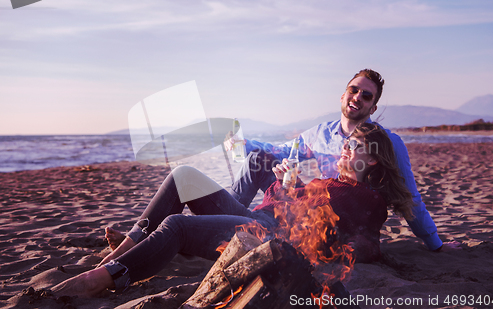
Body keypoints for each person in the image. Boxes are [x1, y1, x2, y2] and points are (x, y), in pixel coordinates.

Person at [51, 123, 408, 297]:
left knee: (178, 225)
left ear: (373, 159)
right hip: (262, 218)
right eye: (346, 144)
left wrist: (287, 191)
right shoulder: (337, 182)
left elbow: (343, 236)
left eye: (355, 147)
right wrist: (287, 187)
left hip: (268, 235)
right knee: (182, 176)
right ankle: (129, 246)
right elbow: (298, 206)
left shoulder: (365, 197)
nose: (345, 150)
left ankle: (107, 277)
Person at [226, 69, 456, 252]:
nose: (357, 97)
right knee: (257, 158)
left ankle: (229, 227)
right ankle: (226, 223)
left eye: (366, 96)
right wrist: (243, 144)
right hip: (310, 207)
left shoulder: (387, 142)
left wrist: (435, 244)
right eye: (353, 90)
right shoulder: (320, 134)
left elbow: (410, 197)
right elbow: (282, 150)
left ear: (373, 107)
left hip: (341, 226)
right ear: (343, 95)